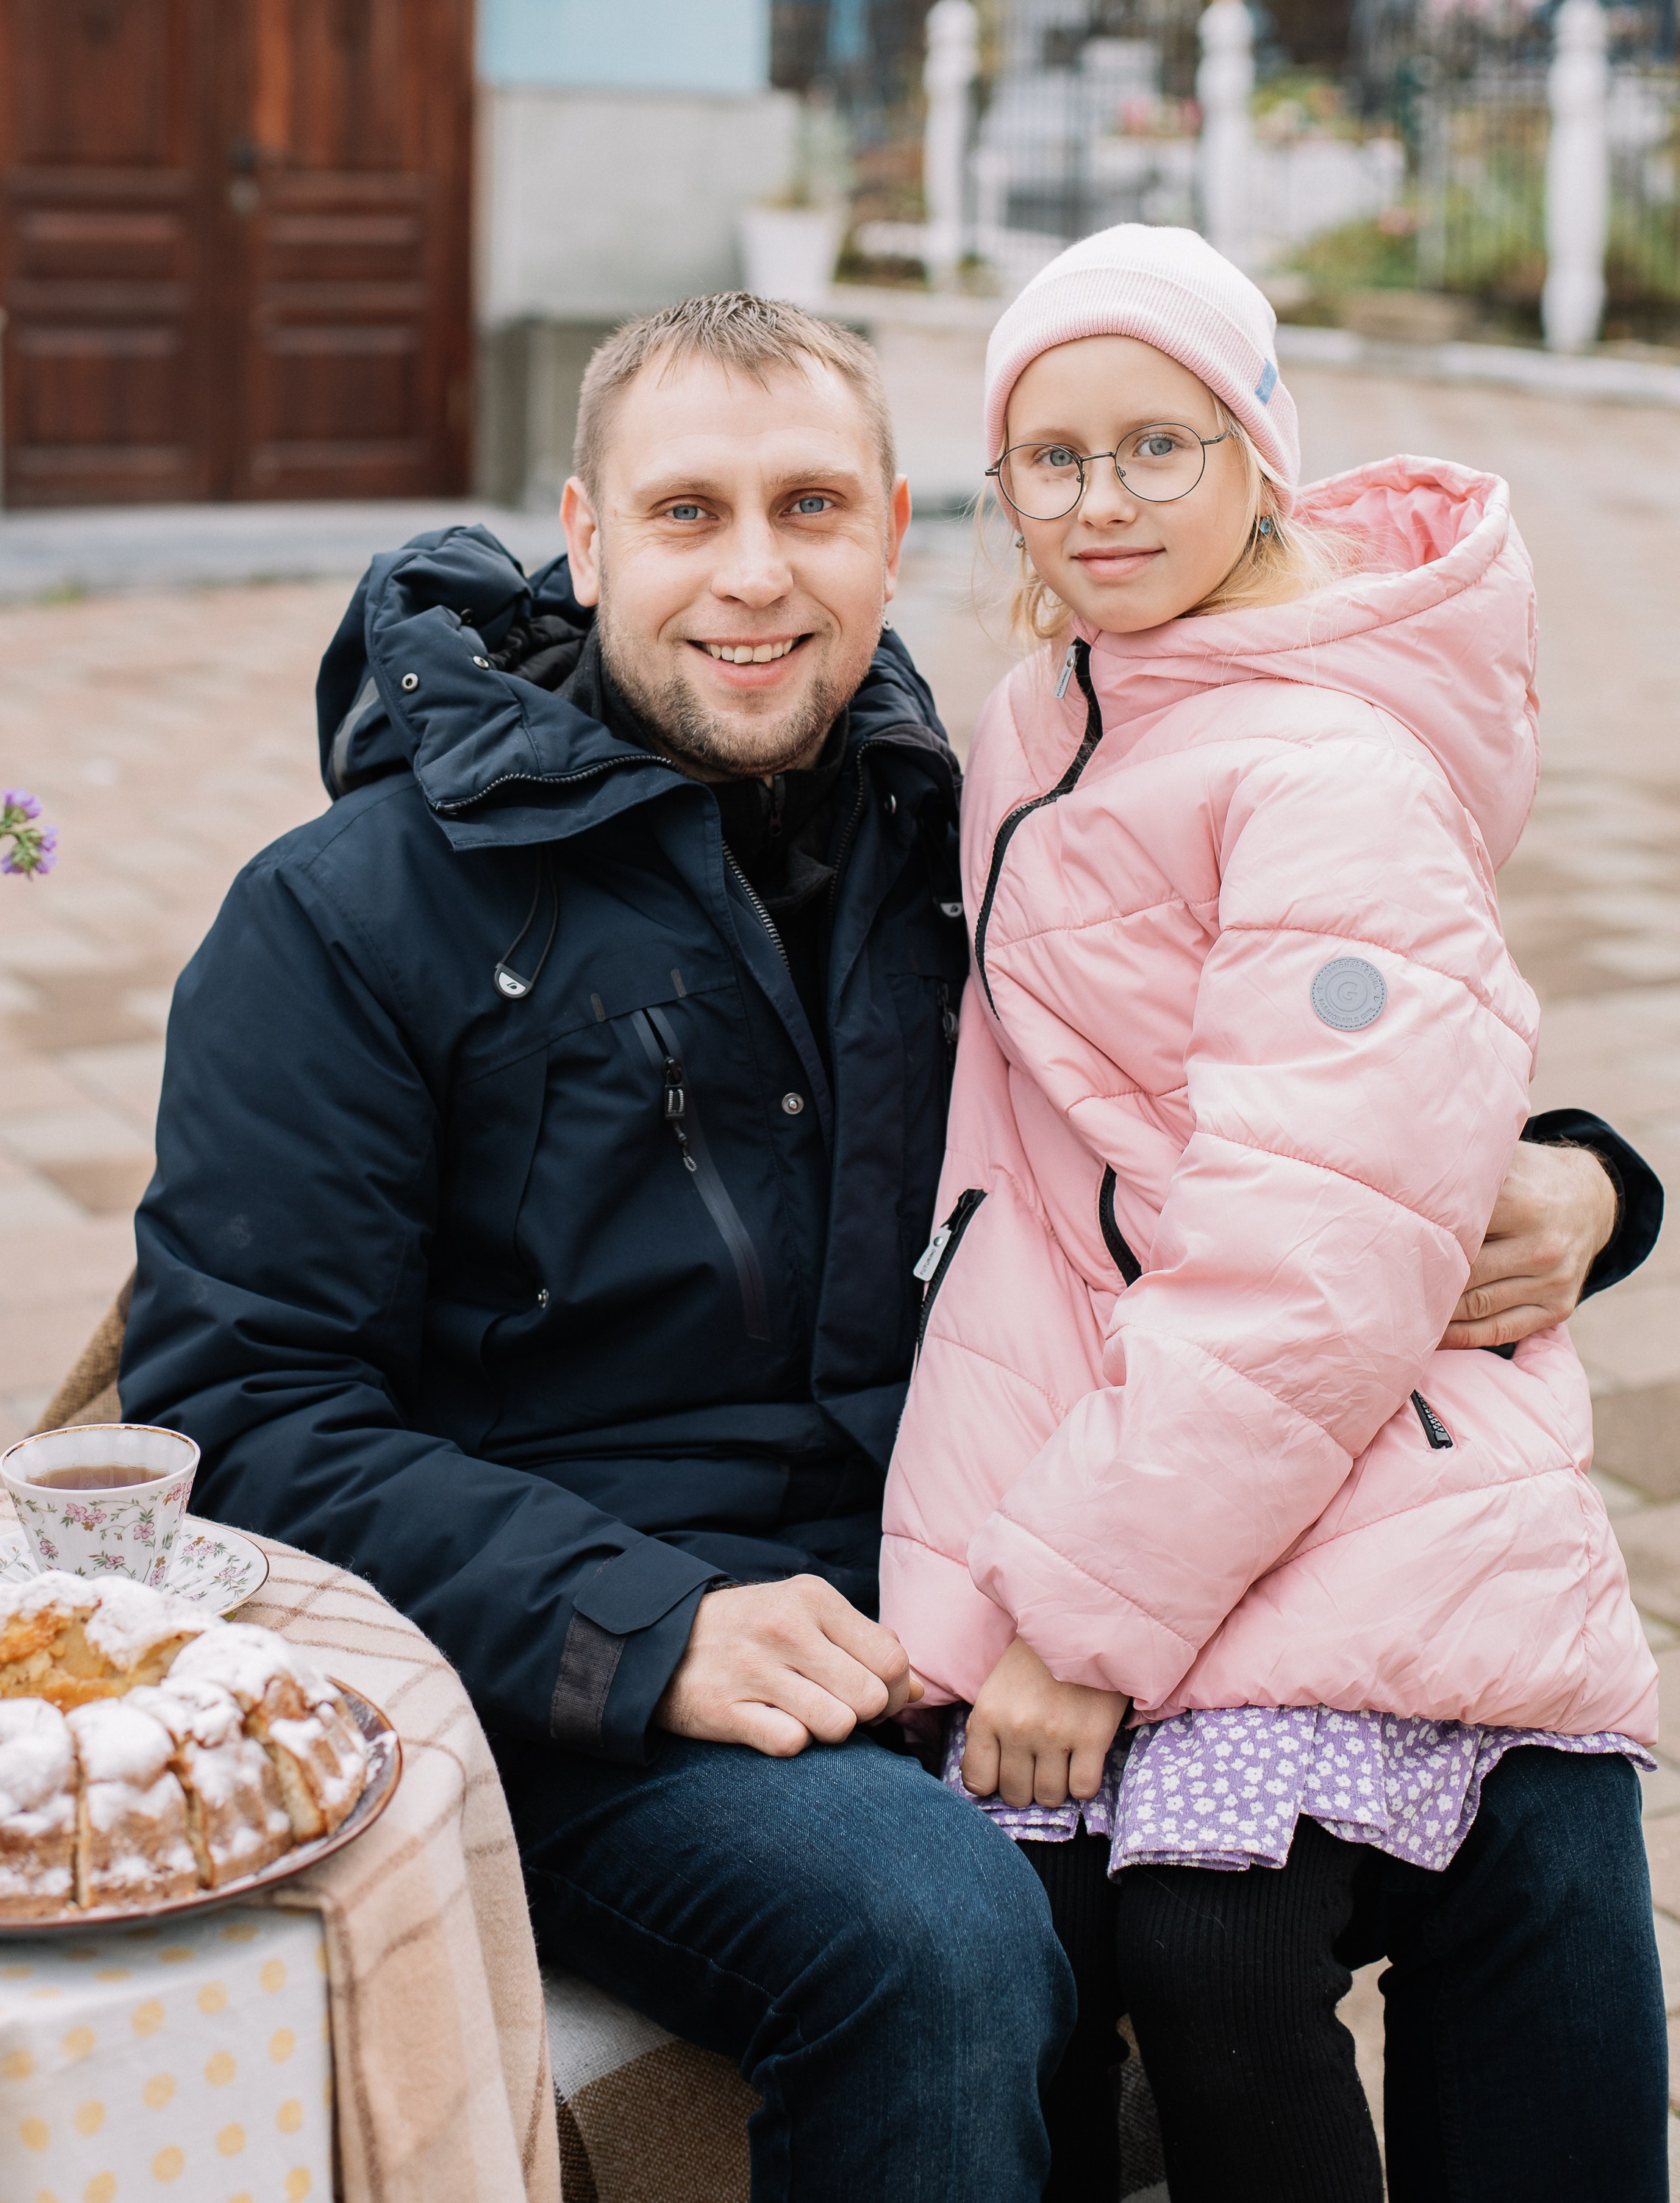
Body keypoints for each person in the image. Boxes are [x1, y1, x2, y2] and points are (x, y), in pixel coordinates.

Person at [120, 290, 1657, 2203]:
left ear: (898, 525)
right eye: (687, 514)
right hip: (583, 1650)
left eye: (809, 508)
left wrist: (1589, 1183)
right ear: (585, 534)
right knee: (938, 1932)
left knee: (1549, 1793)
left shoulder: (980, 823)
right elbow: (235, 1407)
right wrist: (641, 1623)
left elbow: (1308, 1080)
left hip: (990, 1566)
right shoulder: (348, 913)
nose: (753, 576)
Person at [881, 225, 1668, 2202]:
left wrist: (1073, 1613)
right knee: (1063, 1918)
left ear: (1257, 450)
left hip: (1345, 1443)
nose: (1103, 498)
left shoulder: (1315, 763)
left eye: (1159, 441)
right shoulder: (1040, 711)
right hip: (1138, 1427)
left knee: (1211, 1928)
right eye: (1051, 457)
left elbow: (1311, 1242)